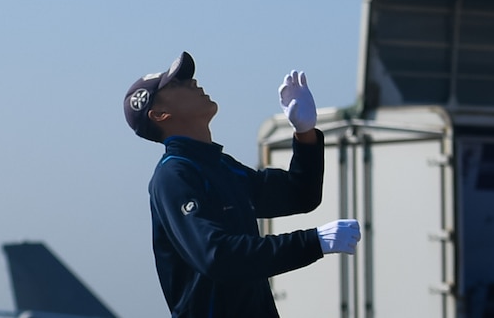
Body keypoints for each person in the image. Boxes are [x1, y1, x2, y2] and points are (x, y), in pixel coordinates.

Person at [125, 51, 361, 318]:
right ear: (159, 114)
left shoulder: (221, 167)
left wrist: (304, 133)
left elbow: (299, 194)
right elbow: (217, 256)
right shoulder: (173, 176)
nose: (193, 82)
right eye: (176, 84)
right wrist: (313, 242)